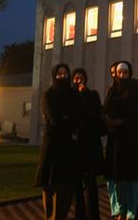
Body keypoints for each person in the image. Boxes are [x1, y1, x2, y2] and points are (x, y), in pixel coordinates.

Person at [103, 61, 138, 220]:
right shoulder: (112, 90)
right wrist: (108, 121)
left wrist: (123, 121)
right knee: (116, 179)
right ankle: (119, 211)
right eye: (120, 73)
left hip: (132, 142)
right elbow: (106, 110)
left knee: (133, 180)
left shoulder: (136, 88)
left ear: (129, 73)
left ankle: (133, 213)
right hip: (116, 143)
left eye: (125, 72)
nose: (123, 75)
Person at [35, 64, 83, 220]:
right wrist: (68, 120)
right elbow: (54, 119)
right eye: (59, 74)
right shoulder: (48, 95)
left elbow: (78, 116)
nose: (62, 76)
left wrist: (67, 119)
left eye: (65, 74)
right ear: (54, 75)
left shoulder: (73, 94)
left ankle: (60, 216)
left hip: (69, 148)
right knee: (51, 185)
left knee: (68, 187)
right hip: (53, 148)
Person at [72, 68, 104, 220]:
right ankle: (80, 215)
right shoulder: (70, 96)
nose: (79, 80)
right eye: (76, 78)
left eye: (81, 77)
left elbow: (96, 115)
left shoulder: (92, 95)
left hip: (90, 145)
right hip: (76, 146)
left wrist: (84, 94)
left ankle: (93, 215)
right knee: (77, 185)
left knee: (91, 185)